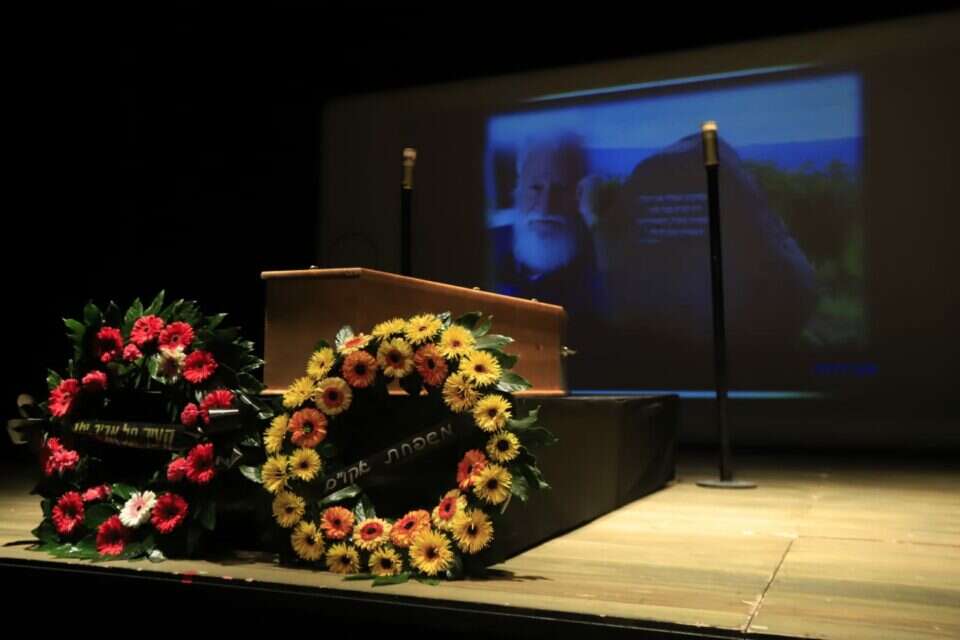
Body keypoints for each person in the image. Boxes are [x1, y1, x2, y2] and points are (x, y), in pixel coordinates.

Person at [490, 135, 602, 318]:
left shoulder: (601, 268)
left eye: (560, 189)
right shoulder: (488, 246)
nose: (545, 206)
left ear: (579, 196)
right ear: (517, 191)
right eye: (535, 187)